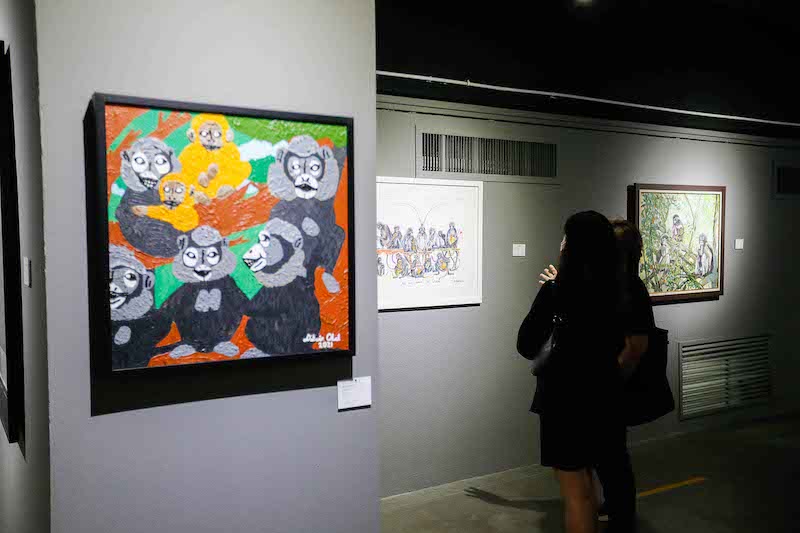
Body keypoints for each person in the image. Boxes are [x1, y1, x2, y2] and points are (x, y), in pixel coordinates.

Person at [538, 217, 655, 533]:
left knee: (607, 466)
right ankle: (613, 511)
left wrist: (608, 379)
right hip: (599, 390)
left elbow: (636, 346)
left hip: (602, 391)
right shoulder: (603, 287)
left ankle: (621, 517)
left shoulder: (626, 288)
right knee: (595, 467)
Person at [517, 211, 623, 533]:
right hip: (605, 396)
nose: (561, 243)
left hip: (564, 402)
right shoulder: (617, 288)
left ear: (573, 247)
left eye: (566, 238)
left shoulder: (556, 292)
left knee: (575, 492)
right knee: (589, 485)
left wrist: (550, 292)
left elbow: (526, 344)